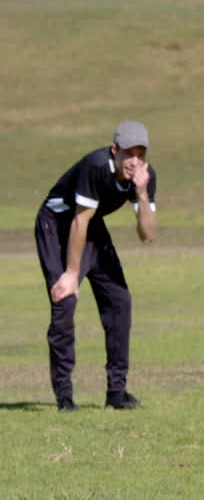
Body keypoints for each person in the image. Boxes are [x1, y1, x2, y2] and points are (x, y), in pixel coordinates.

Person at [35, 121, 157, 411]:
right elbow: (79, 220)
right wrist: (72, 275)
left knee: (119, 301)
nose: (135, 161)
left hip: (89, 225)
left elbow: (148, 235)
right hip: (56, 224)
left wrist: (140, 193)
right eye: (129, 153)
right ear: (115, 150)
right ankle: (64, 397)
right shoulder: (95, 166)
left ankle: (117, 392)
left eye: (141, 154)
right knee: (64, 300)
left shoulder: (145, 176)